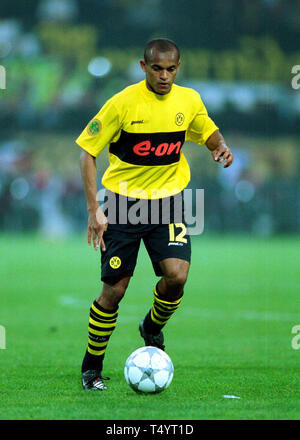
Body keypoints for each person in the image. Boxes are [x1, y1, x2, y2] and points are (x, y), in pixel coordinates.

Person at [76, 39, 234, 391]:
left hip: (168, 203)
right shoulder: (122, 103)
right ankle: (92, 366)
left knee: (177, 276)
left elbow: (205, 129)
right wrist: (94, 211)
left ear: (178, 68)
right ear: (143, 66)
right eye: (157, 68)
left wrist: (219, 146)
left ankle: (151, 327)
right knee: (114, 292)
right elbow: (87, 152)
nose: (165, 76)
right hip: (123, 204)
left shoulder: (188, 99)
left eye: (171, 69)